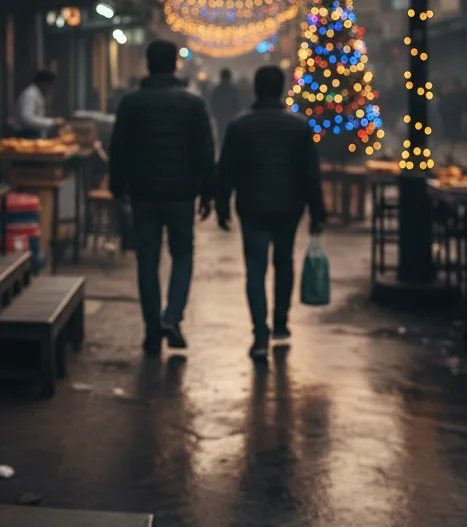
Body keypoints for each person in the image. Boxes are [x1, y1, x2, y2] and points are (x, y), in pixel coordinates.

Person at [109, 39, 215, 355]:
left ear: (147, 65)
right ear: (174, 65)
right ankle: (172, 317)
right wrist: (209, 192)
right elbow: (205, 151)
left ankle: (151, 329)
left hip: (143, 193)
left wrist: (117, 188)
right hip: (182, 194)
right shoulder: (193, 104)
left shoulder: (131, 103)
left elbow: (119, 149)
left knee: (148, 261)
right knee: (183, 255)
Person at [215, 65, 327, 362]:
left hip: (252, 206)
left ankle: (260, 333)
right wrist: (317, 210)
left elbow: (227, 170)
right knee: (284, 262)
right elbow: (310, 173)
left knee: (255, 269)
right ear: (282, 89)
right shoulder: (299, 126)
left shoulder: (239, 126)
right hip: (289, 207)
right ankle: (280, 322)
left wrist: (222, 204)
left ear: (255, 88)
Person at [14, 69, 63, 138]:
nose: (50, 89)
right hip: (26, 134)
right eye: (49, 85)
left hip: (33, 133)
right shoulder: (30, 94)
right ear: (43, 83)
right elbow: (27, 118)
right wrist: (51, 122)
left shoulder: (37, 93)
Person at [209, 68, 241, 140]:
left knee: (221, 136)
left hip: (221, 117)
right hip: (232, 117)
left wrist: (214, 114)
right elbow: (238, 103)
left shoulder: (216, 90)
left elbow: (213, 103)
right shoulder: (234, 90)